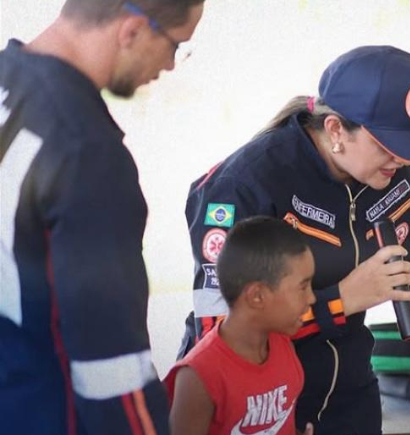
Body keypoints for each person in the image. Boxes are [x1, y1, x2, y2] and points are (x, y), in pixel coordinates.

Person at [180, 45, 410, 434]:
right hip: (261, 404)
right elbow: (221, 331)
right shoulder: (243, 185)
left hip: (350, 397)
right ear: (336, 129)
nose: (402, 160)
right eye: (387, 145)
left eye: (409, 146)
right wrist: (342, 299)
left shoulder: (394, 179)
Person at [0, 1, 204, 434]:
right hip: (39, 410)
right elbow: (113, 366)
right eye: (176, 45)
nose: (171, 64)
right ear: (132, 30)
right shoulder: (89, 153)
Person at [166, 217, 316, 435]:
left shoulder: (283, 346)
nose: (312, 298)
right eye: (303, 287)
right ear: (257, 296)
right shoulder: (198, 378)